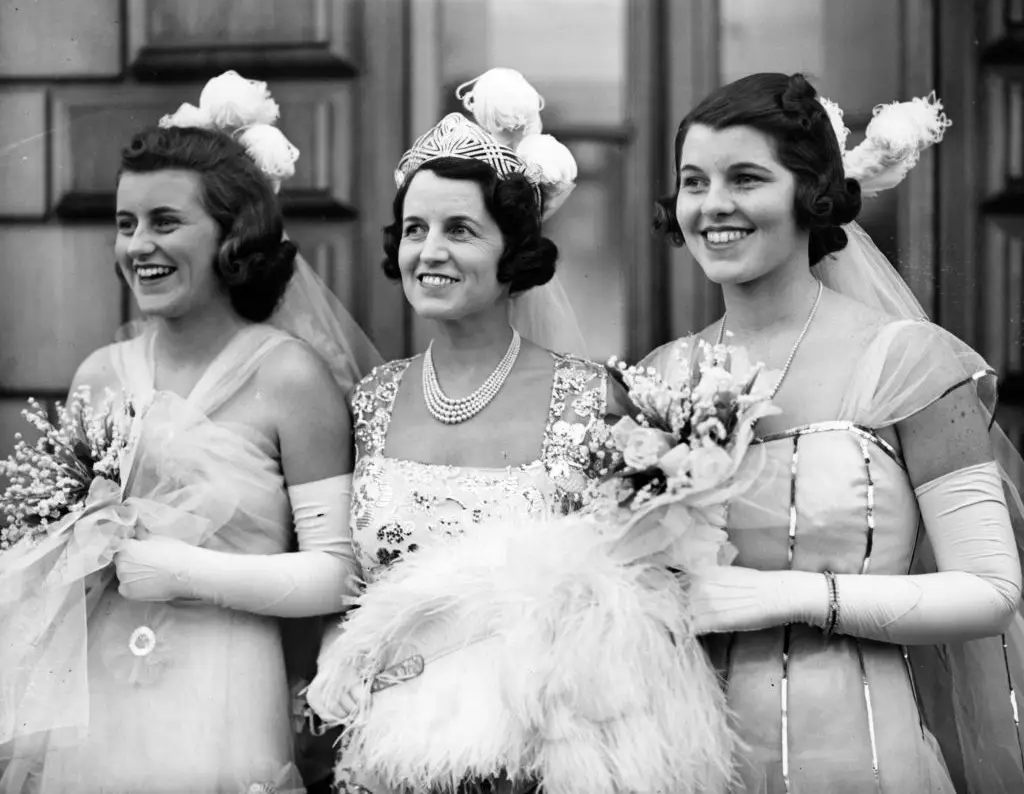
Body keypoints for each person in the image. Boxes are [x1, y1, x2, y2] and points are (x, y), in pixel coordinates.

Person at [0, 72, 380, 793]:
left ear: (234, 235)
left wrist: (184, 572)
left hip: (224, 697)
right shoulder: (99, 377)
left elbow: (340, 573)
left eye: (165, 222)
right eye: (125, 224)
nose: (139, 245)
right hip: (100, 710)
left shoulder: (291, 379)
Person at [644, 71, 1024, 793]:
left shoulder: (909, 360)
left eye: (746, 178)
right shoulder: (663, 376)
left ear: (810, 192)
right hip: (690, 762)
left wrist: (792, 596)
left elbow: (991, 588)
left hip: (866, 763)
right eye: (694, 182)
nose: (713, 205)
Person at [305, 69, 627, 794]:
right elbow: (355, 589)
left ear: (513, 252)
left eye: (460, 230)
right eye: (415, 230)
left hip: (538, 752)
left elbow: (614, 605)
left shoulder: (588, 399)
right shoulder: (373, 399)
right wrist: (336, 659)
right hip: (384, 753)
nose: (430, 252)